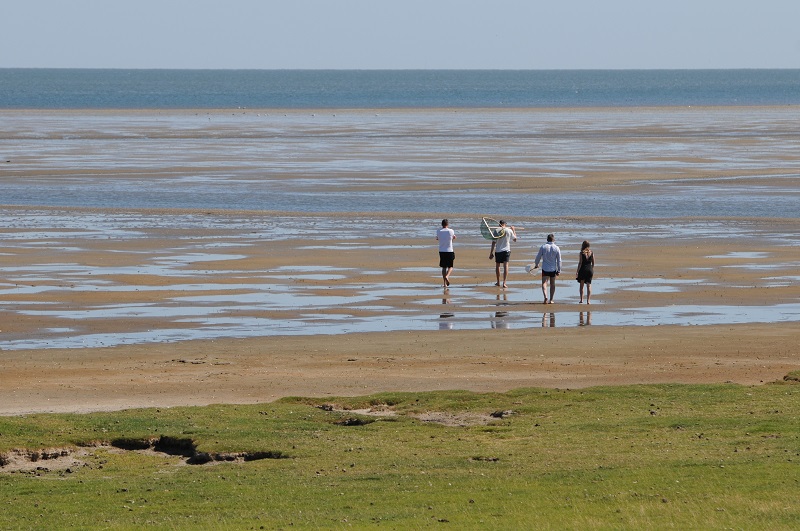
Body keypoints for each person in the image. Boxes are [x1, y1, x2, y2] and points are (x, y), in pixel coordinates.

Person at [533, 233, 562, 304]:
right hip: (553, 269)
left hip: (545, 268)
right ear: (553, 239)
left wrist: (536, 264)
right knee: (552, 284)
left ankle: (545, 296)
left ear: (547, 239)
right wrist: (559, 270)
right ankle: (551, 299)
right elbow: (559, 260)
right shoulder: (556, 248)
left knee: (544, 283)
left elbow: (538, 257)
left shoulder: (543, 247)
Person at [488, 220, 517, 288]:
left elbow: (493, 242)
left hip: (498, 251)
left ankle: (498, 282)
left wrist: (491, 253)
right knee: (505, 265)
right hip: (506, 250)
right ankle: (504, 283)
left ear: (499, 224)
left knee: (498, 266)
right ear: (505, 224)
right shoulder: (509, 230)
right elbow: (515, 239)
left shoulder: (496, 231)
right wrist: (514, 230)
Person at [436, 219, 456, 288]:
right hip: (449, 250)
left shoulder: (438, 231)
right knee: (450, 266)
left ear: (442, 224)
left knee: (444, 267)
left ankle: (444, 284)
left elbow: (437, 238)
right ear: (447, 224)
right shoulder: (451, 231)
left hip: (442, 250)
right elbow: (453, 237)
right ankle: (447, 276)